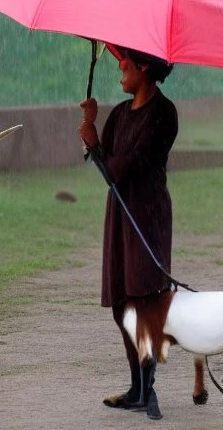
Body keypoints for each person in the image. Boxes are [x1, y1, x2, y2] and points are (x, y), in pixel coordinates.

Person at [78, 46, 178, 421]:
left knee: (145, 299)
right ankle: (136, 386)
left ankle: (147, 388)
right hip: (119, 214)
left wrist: (94, 143)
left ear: (144, 67)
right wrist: (91, 131)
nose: (118, 66)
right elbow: (108, 171)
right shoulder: (119, 114)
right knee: (122, 301)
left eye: (126, 62)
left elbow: (125, 168)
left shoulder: (163, 114)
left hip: (147, 215)